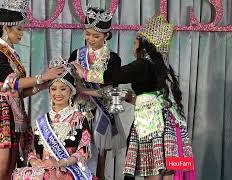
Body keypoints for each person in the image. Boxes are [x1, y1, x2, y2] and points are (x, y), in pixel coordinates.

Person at [73, 15, 196, 180]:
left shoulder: (143, 64)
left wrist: (85, 73)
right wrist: (94, 93)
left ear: (141, 44)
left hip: (151, 125)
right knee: (169, 170)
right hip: (171, 126)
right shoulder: (161, 65)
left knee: (153, 169)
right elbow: (147, 96)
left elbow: (114, 76)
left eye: (134, 42)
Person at [0, 0, 64, 180]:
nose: (22, 33)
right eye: (19, 29)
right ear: (6, 28)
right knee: (1, 168)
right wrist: (43, 76)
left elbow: (20, 91)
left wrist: (42, 85)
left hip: (13, 111)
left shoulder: (11, 52)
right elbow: (15, 83)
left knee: (12, 167)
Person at [68, 6, 125, 179]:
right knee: (76, 153)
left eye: (96, 35)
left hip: (102, 112)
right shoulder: (77, 54)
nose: (90, 39)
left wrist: (85, 88)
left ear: (106, 36)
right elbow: (69, 83)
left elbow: (111, 90)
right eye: (87, 34)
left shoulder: (113, 59)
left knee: (100, 156)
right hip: (78, 110)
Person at [12, 58, 92, 180]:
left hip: (70, 170)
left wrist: (60, 163)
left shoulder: (79, 119)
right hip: (43, 170)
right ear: (49, 92)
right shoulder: (41, 121)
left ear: (71, 92)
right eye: (53, 89)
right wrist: (35, 162)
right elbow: (31, 151)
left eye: (63, 89)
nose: (57, 93)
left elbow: (83, 151)